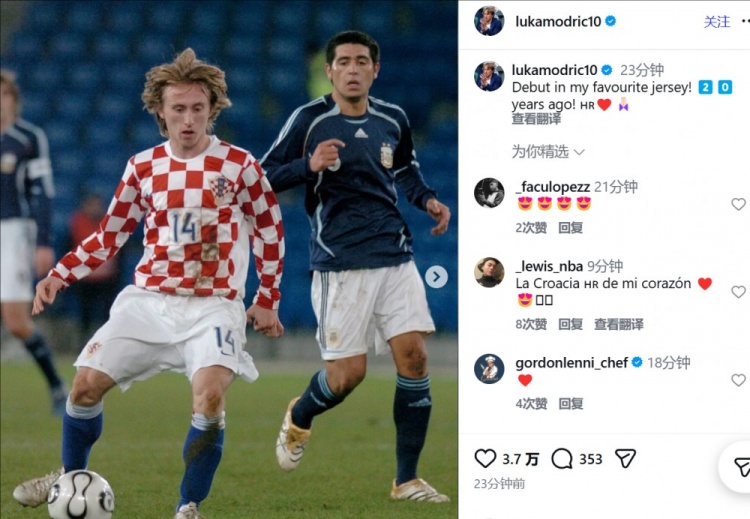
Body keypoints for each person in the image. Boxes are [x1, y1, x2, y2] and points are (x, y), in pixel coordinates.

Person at [12, 49, 285, 519]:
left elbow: (269, 230)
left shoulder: (240, 166)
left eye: (197, 108)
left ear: (212, 109)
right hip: (148, 302)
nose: (188, 119)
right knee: (84, 387)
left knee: (210, 397)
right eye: (178, 108)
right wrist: (60, 274)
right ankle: (70, 477)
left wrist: (267, 297)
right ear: (160, 110)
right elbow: (110, 234)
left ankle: (188, 506)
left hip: (214, 306)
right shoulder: (143, 167)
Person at [259, 30, 451, 503]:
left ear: (374, 70)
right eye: (343, 61)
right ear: (329, 71)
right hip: (340, 261)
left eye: (361, 61)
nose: (352, 69)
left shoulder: (393, 118)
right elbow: (260, 177)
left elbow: (405, 169)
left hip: (394, 254)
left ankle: (406, 480)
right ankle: (300, 414)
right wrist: (308, 166)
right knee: (347, 376)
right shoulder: (309, 119)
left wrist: (426, 199)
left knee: (415, 357)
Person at [0, 69, 68, 417]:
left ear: (14, 100)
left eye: (3, 95)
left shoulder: (28, 138)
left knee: (15, 321)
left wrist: (43, 241)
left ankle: (56, 385)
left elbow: (43, 192)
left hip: (13, 231)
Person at [65, 191, 121, 339]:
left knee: (107, 311)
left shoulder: (110, 223)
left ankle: (107, 339)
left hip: (107, 279)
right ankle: (84, 340)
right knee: (85, 313)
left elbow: (120, 250)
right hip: (85, 278)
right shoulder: (77, 222)